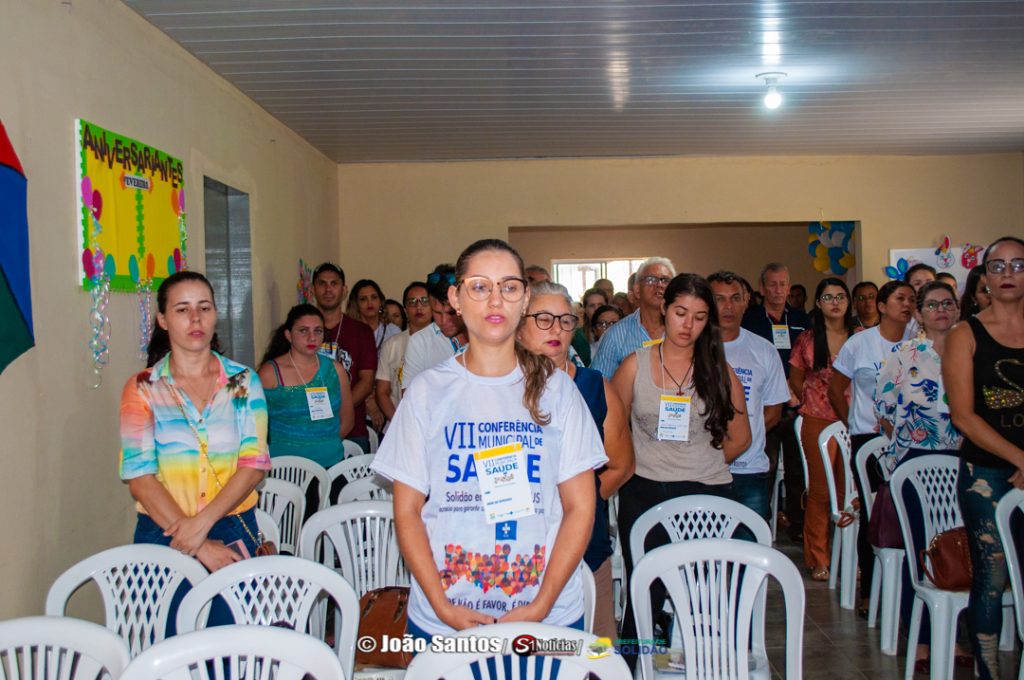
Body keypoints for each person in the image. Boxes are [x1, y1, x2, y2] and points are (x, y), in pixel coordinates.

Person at [371, 239, 607, 638]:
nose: (495, 301)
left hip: (547, 618)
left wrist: (541, 604)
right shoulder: (428, 392)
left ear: (525, 298)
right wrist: (442, 606)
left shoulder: (559, 390)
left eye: (509, 287)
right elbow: (407, 511)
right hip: (444, 620)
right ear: (455, 298)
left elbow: (580, 508)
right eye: (480, 287)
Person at [612, 273, 751, 666]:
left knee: (702, 595)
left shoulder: (718, 371)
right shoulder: (634, 365)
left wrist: (699, 466)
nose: (688, 325)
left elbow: (741, 437)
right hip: (644, 491)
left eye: (700, 316)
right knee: (644, 595)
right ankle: (629, 670)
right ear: (665, 310)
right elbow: (614, 431)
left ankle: (705, 667)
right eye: (680, 313)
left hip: (705, 492)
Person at [120, 272, 270, 630]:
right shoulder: (144, 387)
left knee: (233, 646)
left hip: (233, 525)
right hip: (162, 532)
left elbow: (253, 465)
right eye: (182, 309)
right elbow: (140, 478)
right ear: (163, 319)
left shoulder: (243, 382)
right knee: (170, 644)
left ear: (216, 313)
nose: (195, 319)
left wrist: (201, 527)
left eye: (204, 307)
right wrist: (198, 543)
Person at [517, 281, 634, 640]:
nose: (557, 329)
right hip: (520, 549)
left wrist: (575, 507)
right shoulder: (500, 389)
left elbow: (621, 465)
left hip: (585, 545)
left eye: (566, 321)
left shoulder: (595, 386)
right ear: (519, 326)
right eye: (544, 319)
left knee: (595, 653)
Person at [876, 281, 968, 670]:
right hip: (915, 462)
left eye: (948, 303)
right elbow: (882, 408)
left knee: (963, 548)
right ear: (919, 313)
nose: (941, 310)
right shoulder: (905, 353)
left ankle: (960, 637)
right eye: (932, 305)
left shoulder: (971, 350)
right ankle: (922, 639)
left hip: (965, 458)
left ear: (958, 309)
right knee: (921, 549)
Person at [945, 236, 1024, 680]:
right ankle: (989, 670)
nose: (1008, 274)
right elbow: (963, 415)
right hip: (986, 472)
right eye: (998, 267)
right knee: (992, 578)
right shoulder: (965, 334)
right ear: (984, 278)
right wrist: (1019, 458)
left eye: (1017, 265)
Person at [828, 279, 914, 615]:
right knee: (875, 511)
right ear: (881, 306)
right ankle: (870, 589)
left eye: (911, 299)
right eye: (899, 298)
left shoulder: (919, 344)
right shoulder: (860, 344)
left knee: (909, 512)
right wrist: (854, 423)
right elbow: (837, 389)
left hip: (911, 440)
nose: (906, 304)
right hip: (869, 440)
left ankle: (909, 586)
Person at [709, 271, 789, 523]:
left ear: (747, 302)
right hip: (703, 469)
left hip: (749, 469)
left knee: (750, 551)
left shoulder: (763, 350)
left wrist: (739, 438)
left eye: (735, 298)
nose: (728, 306)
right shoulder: (692, 349)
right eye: (719, 299)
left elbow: (773, 412)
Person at [789, 277, 855, 580]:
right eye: (828, 297)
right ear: (818, 303)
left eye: (841, 296)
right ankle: (819, 558)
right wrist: (816, 402)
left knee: (850, 492)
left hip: (856, 421)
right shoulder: (807, 339)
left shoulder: (862, 336)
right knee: (820, 491)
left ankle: (852, 559)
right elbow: (797, 381)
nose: (835, 303)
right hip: (817, 419)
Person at [741, 262, 811, 540]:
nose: (779, 289)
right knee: (766, 468)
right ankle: (761, 525)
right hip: (763, 407)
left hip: (795, 407)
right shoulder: (751, 319)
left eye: (783, 284)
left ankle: (797, 526)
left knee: (797, 471)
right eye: (772, 284)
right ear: (761, 288)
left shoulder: (801, 319)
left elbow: (809, 361)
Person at [258, 304, 354, 468]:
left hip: (331, 464)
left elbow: (347, 419)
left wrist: (324, 444)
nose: (312, 338)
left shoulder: (335, 370)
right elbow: (256, 426)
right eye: (303, 331)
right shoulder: (270, 373)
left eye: (318, 331)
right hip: (285, 470)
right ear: (288, 335)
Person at [312, 263, 377, 453]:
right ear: (313, 289)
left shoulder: (361, 332)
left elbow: (366, 381)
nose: (328, 289)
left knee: (352, 484)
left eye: (334, 283)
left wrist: (339, 409)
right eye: (322, 284)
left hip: (352, 429)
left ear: (344, 290)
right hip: (310, 428)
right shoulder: (303, 329)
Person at [592, 257, 676, 380]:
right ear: (637, 290)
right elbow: (599, 385)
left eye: (665, 280)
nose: (660, 285)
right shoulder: (615, 336)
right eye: (651, 279)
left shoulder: (685, 331)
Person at [402, 264, 469, 389]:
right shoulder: (420, 342)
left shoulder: (484, 336)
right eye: (437, 312)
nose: (443, 321)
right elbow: (409, 396)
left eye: (451, 313)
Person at [375, 282, 432, 423]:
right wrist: (398, 423)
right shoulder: (392, 344)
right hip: (398, 423)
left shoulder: (446, 342)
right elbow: (382, 392)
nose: (419, 307)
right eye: (412, 302)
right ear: (405, 309)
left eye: (424, 301)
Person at [347, 279, 401, 354]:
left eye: (374, 297)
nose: (370, 303)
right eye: (363, 299)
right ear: (356, 304)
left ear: (380, 301)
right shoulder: (349, 332)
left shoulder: (393, 331)